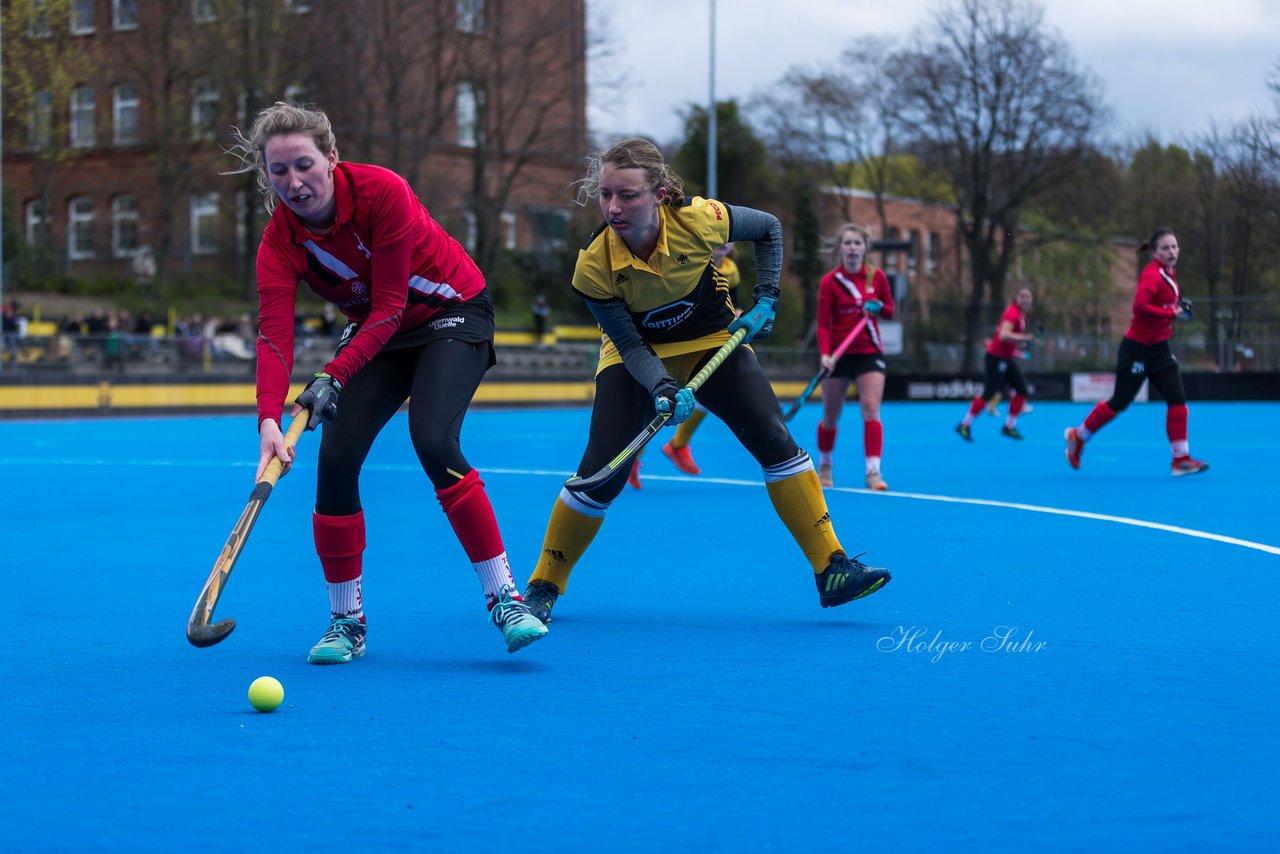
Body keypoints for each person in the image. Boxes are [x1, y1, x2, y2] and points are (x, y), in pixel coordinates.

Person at [522, 138, 890, 623]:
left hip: (714, 340)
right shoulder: (595, 264)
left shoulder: (701, 219)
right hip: (638, 354)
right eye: (606, 194)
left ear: (658, 193)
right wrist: (660, 386)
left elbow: (770, 229)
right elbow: (630, 345)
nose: (613, 207)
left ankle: (831, 568)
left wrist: (766, 298)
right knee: (600, 474)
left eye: (627, 195)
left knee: (775, 439)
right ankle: (542, 585)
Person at [230, 101, 546, 663]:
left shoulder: (383, 192)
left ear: (331, 158)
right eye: (278, 171)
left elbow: (391, 304)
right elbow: (274, 337)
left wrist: (332, 374)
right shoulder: (278, 243)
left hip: (451, 313)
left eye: (303, 164)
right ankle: (345, 621)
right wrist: (268, 420)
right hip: (380, 331)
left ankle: (506, 599)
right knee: (336, 456)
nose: (293, 182)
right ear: (266, 175)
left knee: (433, 439)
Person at [1064, 228, 1208, 477]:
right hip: (1137, 350)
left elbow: (1163, 304)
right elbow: (1139, 307)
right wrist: (1171, 314)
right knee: (1119, 403)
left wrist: (1176, 307)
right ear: (1154, 252)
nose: (1172, 251)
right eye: (1165, 248)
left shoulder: (1168, 274)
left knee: (1178, 402)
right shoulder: (1152, 275)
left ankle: (1180, 460)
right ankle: (1079, 436)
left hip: (1159, 349)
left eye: (1174, 247)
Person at [626, 242, 739, 487]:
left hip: (709, 340)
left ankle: (678, 445)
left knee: (711, 395)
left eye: (729, 240)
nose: (723, 244)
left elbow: (734, 303)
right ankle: (635, 455)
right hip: (673, 342)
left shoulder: (731, 270)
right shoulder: (690, 260)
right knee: (656, 404)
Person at [814, 223, 895, 490]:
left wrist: (880, 306)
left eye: (857, 243)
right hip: (837, 355)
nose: (852, 248)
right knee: (830, 415)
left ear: (865, 248)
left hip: (869, 352)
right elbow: (823, 323)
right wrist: (825, 354)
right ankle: (825, 465)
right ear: (840, 248)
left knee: (871, 408)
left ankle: (873, 472)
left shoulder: (876, 277)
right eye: (847, 243)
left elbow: (890, 312)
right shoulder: (830, 282)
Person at [956, 286, 1036, 441]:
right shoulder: (1012, 313)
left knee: (1022, 390)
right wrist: (1025, 338)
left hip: (1005, 358)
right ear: (1017, 297)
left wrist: (1022, 344)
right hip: (995, 358)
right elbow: (1004, 335)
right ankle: (964, 425)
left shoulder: (1021, 314)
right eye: (1023, 296)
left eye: (1028, 296)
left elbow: (1011, 338)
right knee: (989, 394)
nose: (1025, 299)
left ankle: (1009, 426)